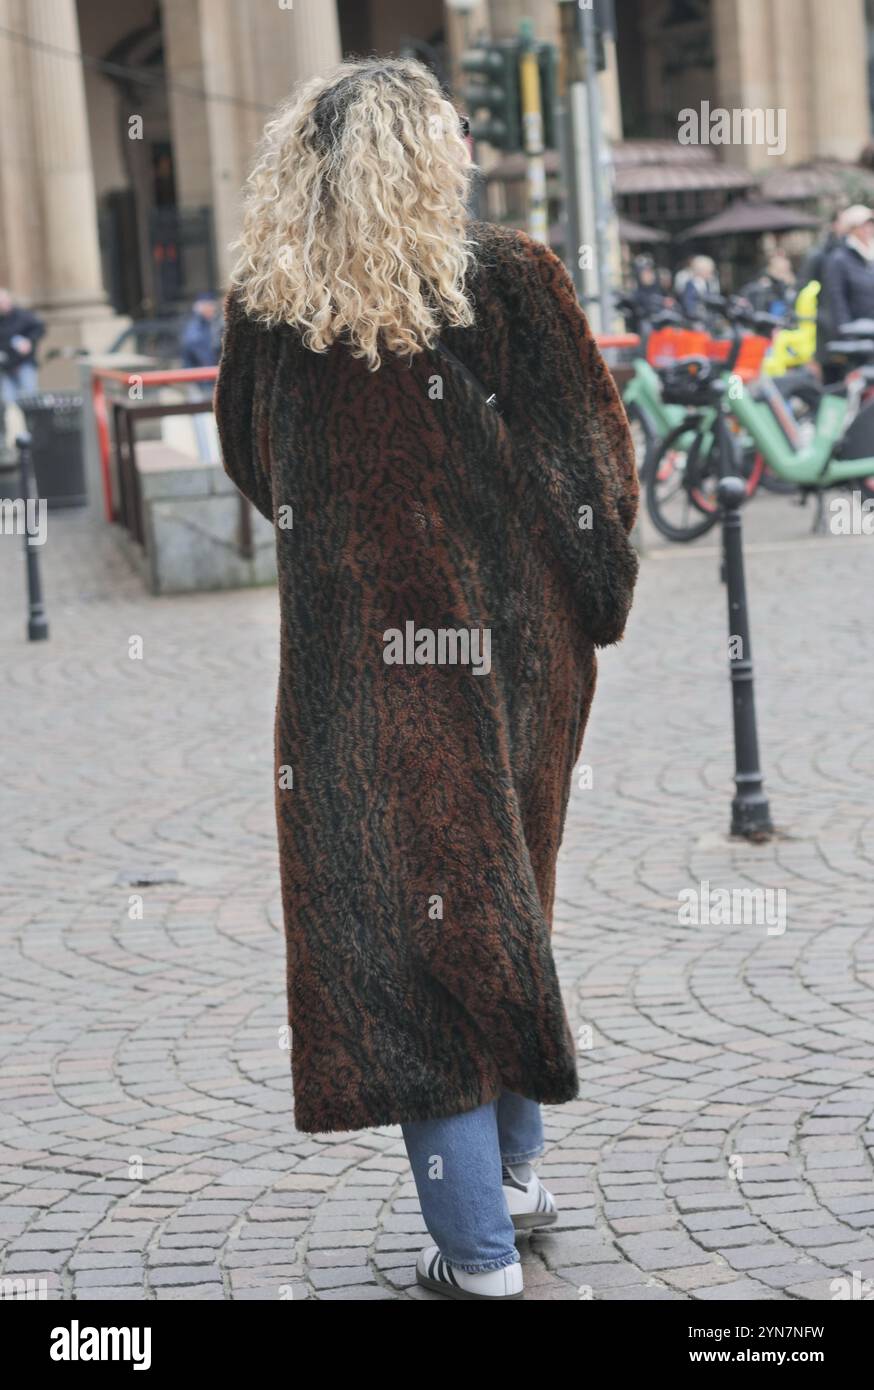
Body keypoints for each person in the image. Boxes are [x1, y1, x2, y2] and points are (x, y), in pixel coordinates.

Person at [214, 58, 639, 1301]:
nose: (466, 142)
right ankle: (493, 1224)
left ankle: (490, 1224)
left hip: (358, 675)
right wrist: (586, 589)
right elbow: (591, 462)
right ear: (420, 150)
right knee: (492, 895)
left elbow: (255, 467)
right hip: (515, 654)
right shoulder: (510, 277)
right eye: (452, 127)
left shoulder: (270, 308)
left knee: (419, 936)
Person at [822, 204, 874, 331]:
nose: (868, 229)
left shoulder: (870, 254)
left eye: (870, 224)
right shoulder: (839, 259)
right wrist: (846, 332)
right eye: (863, 225)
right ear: (852, 229)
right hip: (859, 332)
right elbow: (837, 300)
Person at [0, 288, 45, 405]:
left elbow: (39, 328)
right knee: (9, 403)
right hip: (6, 366)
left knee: (30, 400)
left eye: (4, 302)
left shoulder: (23, 316)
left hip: (24, 364)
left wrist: (28, 341)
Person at [180, 292, 223, 368]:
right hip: (200, 373)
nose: (212, 309)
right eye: (209, 306)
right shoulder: (195, 328)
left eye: (212, 306)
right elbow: (206, 358)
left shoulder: (212, 323)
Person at [674, 254, 720, 324]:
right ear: (702, 270)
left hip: (706, 321)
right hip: (694, 323)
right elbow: (688, 306)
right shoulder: (690, 285)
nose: (711, 274)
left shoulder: (707, 284)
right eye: (710, 271)